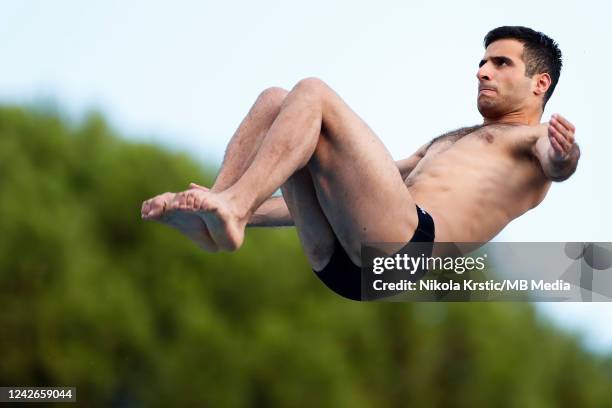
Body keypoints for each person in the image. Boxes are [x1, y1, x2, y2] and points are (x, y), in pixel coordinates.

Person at [141, 26, 580, 300]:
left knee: (313, 90)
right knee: (278, 103)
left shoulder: (536, 139)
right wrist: (247, 210)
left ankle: (230, 205)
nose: (483, 71)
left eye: (500, 63)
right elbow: (350, 190)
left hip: (408, 253)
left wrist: (565, 157)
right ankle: (219, 209)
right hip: (345, 266)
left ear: (540, 83)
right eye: (482, 61)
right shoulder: (449, 141)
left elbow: (556, 166)